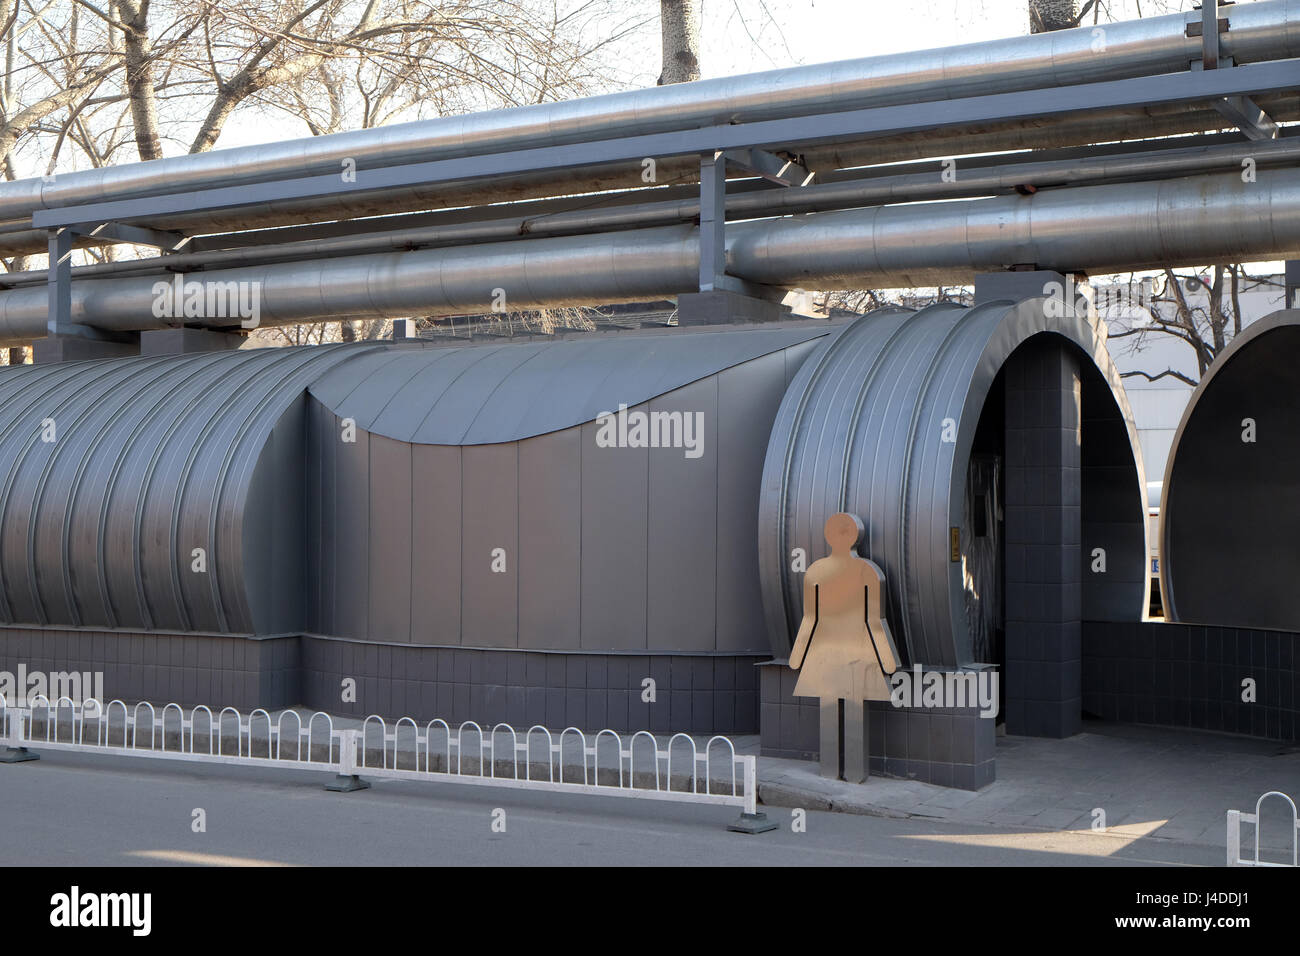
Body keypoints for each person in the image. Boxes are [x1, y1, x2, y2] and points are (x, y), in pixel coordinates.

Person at [789, 512, 900, 783]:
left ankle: (829, 769)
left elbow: (809, 618)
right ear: (856, 536)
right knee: (854, 706)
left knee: (828, 704)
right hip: (857, 654)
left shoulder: (815, 571)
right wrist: (888, 661)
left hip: (823, 654)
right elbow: (875, 620)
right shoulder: (867, 572)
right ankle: (853, 773)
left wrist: (797, 657)